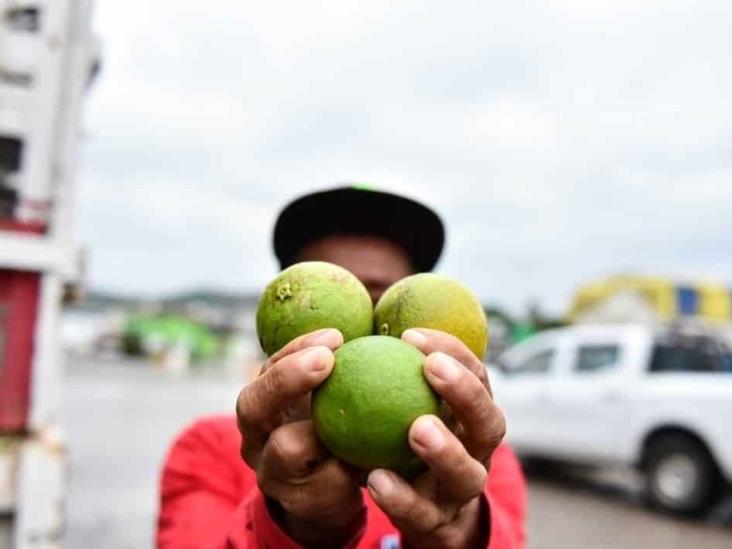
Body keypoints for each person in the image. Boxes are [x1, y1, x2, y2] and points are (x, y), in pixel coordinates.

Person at [156, 187, 526, 548]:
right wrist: (291, 529)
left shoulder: (476, 463)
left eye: (378, 302)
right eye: (322, 306)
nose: (356, 347)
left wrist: (461, 534)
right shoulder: (209, 450)